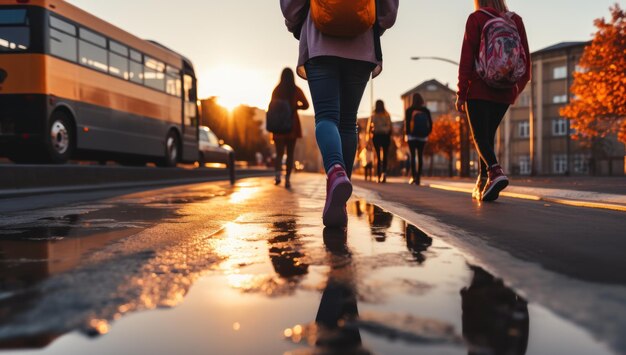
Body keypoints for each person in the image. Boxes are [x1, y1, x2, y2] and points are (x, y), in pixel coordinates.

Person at [280, 0, 399, 227]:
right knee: (347, 122)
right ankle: (339, 201)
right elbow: (389, 13)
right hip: (362, 45)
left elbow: (291, 9)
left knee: (326, 117)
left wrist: (297, 22)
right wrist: (371, 21)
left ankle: (335, 172)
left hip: (320, 42)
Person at [456, 0, 530, 201]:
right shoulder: (516, 21)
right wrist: (514, 91)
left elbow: (466, 59)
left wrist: (461, 93)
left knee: (480, 138)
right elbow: (526, 65)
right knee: (487, 137)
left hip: (479, 90)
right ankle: (483, 182)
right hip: (504, 93)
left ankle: (496, 173)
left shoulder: (477, 18)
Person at [271, 68, 309, 189]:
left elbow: (272, 106)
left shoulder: (276, 90)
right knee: (290, 154)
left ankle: (277, 176)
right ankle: (287, 179)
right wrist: (295, 107)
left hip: (278, 126)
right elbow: (306, 105)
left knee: (279, 153)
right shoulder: (296, 90)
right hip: (292, 126)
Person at [404, 93, 432, 186]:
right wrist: (427, 133)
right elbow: (430, 123)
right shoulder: (425, 110)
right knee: (420, 156)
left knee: (413, 156)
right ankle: (419, 177)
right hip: (423, 137)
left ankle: (413, 177)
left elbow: (407, 123)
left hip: (411, 136)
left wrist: (407, 134)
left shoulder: (409, 110)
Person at [367, 100, 393, 183]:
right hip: (385, 136)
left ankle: (378, 176)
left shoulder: (373, 115)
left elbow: (369, 128)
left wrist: (369, 138)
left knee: (377, 156)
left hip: (377, 136)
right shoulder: (387, 115)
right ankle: (384, 174)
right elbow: (390, 126)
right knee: (385, 156)